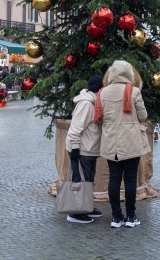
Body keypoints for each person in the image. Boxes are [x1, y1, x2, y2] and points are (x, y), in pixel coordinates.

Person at [96, 60, 150, 228]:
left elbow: (100, 117)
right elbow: (143, 116)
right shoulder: (133, 92)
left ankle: (116, 217)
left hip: (111, 141)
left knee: (114, 178)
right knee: (130, 179)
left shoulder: (102, 92)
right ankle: (131, 216)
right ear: (129, 73)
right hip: (131, 141)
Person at [64, 75, 105, 223]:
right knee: (80, 181)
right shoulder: (87, 104)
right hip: (81, 149)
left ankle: (86, 207)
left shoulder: (95, 103)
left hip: (89, 148)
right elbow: (75, 128)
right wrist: (75, 149)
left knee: (88, 180)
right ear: (99, 89)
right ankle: (75, 213)